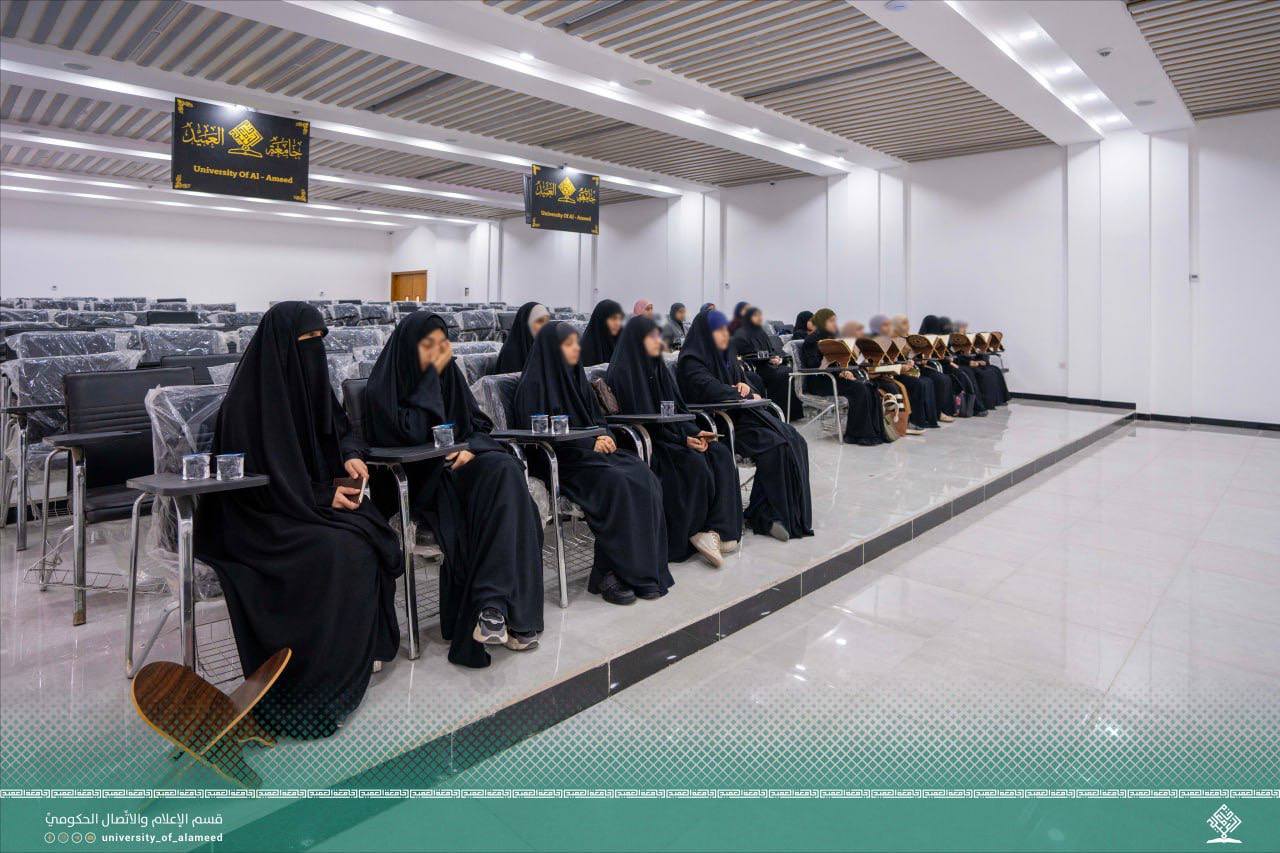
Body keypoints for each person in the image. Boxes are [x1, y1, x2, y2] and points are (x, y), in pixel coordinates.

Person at [194, 302, 401, 739]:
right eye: (306, 341)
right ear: (282, 346)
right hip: (259, 514)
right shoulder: (248, 403)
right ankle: (312, 676)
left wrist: (351, 455)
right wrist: (322, 496)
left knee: (368, 527)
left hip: (305, 501)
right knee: (338, 550)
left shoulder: (312, 387)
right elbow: (256, 480)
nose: (314, 351)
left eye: (320, 341)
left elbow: (340, 428)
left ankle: (362, 648)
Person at [364, 312, 544, 667]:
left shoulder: (451, 377)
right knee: (510, 501)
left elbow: (477, 425)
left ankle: (492, 608)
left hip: (461, 470)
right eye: (428, 345)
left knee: (506, 471)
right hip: (420, 482)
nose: (438, 352)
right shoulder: (382, 389)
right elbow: (405, 437)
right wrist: (429, 384)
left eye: (443, 344)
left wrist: (469, 448)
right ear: (410, 347)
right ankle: (505, 614)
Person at [513, 321, 671, 605]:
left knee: (642, 474)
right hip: (561, 462)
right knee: (617, 484)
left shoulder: (576, 379)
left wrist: (605, 435)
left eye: (577, 343)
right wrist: (589, 443)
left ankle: (644, 570)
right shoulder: (532, 386)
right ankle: (611, 573)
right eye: (569, 344)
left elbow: (598, 420)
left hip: (591, 456)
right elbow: (537, 438)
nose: (577, 348)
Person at [607, 316, 742, 567]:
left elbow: (678, 410)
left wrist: (695, 433)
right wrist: (683, 439)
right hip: (650, 443)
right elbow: (641, 421)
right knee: (693, 464)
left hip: (675, 436)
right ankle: (690, 533)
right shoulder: (624, 372)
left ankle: (717, 530)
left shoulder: (658, 367)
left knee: (720, 452)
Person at [677, 310, 812, 542]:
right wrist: (739, 392)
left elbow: (748, 384)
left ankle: (780, 511)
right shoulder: (692, 359)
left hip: (743, 417)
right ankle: (764, 514)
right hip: (720, 424)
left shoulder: (727, 354)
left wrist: (746, 388)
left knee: (794, 438)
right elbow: (709, 389)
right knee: (775, 445)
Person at [800, 308, 887, 446]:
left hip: (833, 377)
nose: (835, 324)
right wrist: (830, 364)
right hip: (819, 381)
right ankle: (856, 435)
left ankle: (873, 432)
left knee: (869, 387)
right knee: (859, 389)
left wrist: (844, 371)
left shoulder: (835, 338)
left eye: (835, 320)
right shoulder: (812, 340)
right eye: (831, 321)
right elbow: (813, 366)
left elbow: (842, 362)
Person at [870, 313, 938, 430]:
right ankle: (913, 421)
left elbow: (902, 357)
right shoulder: (880, 340)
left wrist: (910, 362)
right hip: (890, 374)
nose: (908, 326)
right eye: (904, 323)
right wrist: (901, 367)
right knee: (917, 384)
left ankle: (926, 419)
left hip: (896, 372)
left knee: (927, 381)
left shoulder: (905, 339)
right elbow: (880, 362)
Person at [731, 305, 802, 418]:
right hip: (755, 366)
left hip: (768, 364)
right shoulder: (740, 333)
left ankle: (791, 413)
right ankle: (775, 413)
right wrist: (766, 358)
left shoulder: (760, 332)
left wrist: (775, 358)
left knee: (787, 370)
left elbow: (771, 350)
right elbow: (743, 355)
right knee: (781, 374)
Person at [894, 314, 955, 422]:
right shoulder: (893, 339)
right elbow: (893, 359)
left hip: (915, 368)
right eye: (904, 323)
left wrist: (924, 357)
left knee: (941, 379)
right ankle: (920, 418)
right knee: (924, 382)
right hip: (900, 372)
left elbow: (917, 357)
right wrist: (909, 361)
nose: (908, 326)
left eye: (907, 323)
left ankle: (935, 414)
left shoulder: (911, 338)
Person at [952, 318, 1010, 409]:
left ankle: (999, 399)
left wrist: (982, 360)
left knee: (995, 370)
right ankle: (986, 403)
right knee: (982, 374)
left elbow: (979, 350)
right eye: (962, 328)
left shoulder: (970, 338)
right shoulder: (953, 340)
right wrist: (969, 362)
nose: (964, 329)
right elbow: (955, 356)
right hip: (964, 364)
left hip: (975, 362)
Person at [496, 301, 549, 373]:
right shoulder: (511, 354)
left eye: (547, 321)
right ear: (526, 323)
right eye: (540, 321)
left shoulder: (543, 348)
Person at [580, 299, 625, 366]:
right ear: (601, 320)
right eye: (613, 318)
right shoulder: (586, 349)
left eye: (620, 318)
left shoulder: (622, 342)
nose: (618, 323)